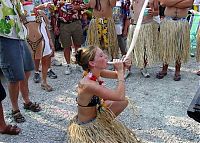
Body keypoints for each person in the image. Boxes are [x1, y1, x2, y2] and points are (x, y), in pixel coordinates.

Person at [67, 46, 140, 142]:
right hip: (88, 126)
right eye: (101, 55)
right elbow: (119, 96)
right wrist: (121, 71)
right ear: (92, 63)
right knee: (122, 100)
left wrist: (124, 66)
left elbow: (116, 74)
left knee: (124, 102)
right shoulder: (88, 84)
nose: (106, 56)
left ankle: (106, 123)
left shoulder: (94, 71)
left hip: (97, 114)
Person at [0, 0, 41, 123]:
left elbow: (22, 15)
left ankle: (26, 101)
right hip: (5, 37)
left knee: (27, 69)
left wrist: (32, 16)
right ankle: (14, 109)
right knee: (14, 76)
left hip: (19, 35)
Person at [156, 0, 193, 81]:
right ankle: (164, 69)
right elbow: (163, 3)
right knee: (166, 47)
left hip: (181, 23)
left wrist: (171, 3)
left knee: (180, 47)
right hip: (168, 23)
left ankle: (177, 71)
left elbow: (189, 3)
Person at [22, 1, 54, 91]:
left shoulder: (39, 11)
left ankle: (44, 81)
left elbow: (46, 26)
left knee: (46, 57)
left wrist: (50, 40)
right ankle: (25, 87)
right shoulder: (20, 10)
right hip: (27, 39)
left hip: (42, 37)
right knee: (26, 64)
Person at [127, 0, 159, 78]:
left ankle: (143, 67)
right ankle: (127, 69)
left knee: (145, 48)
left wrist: (153, 13)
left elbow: (157, 12)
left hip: (147, 25)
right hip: (134, 25)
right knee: (130, 49)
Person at [53, 0, 87, 75]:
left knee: (78, 45)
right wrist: (56, 26)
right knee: (66, 46)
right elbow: (55, 13)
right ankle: (68, 65)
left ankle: (79, 64)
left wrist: (76, 7)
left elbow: (84, 6)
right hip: (63, 25)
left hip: (76, 23)